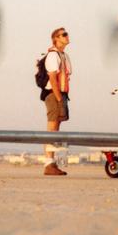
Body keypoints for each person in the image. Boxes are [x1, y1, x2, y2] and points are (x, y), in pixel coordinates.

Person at [43, 27, 72, 176]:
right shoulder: (53, 55)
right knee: (52, 127)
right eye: (64, 35)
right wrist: (59, 97)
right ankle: (48, 164)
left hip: (61, 94)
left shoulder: (64, 55)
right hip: (54, 94)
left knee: (56, 128)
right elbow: (52, 78)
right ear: (56, 38)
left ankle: (51, 163)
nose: (67, 36)